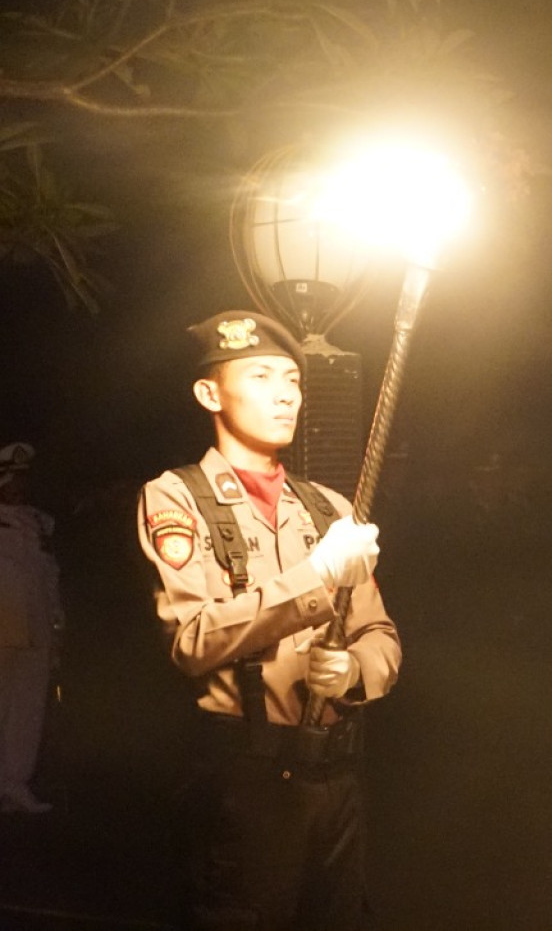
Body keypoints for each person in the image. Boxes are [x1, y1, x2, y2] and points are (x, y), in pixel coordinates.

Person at [136, 311, 398, 929]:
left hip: (335, 775)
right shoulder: (177, 497)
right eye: (261, 375)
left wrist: (354, 672)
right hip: (247, 780)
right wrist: (316, 579)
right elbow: (193, 641)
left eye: (293, 380)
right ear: (210, 393)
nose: (286, 393)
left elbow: (379, 634)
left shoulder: (330, 508)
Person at [0, 441, 60, 814]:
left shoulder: (40, 523)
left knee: (27, 712)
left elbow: (49, 576)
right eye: (11, 479)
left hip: (35, 628)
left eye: (23, 479)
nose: (18, 487)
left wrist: (58, 626)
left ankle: (14, 785)